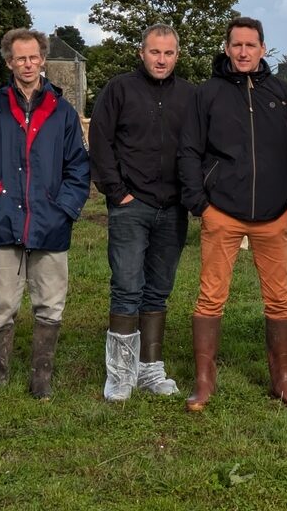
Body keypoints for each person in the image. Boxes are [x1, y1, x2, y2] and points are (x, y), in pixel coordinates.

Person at [178, 16, 287, 412]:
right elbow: (189, 151)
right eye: (236, 45)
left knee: (280, 300)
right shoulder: (208, 94)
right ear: (226, 48)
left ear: (263, 49)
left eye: (251, 45)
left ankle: (282, 380)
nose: (243, 52)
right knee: (210, 296)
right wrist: (200, 204)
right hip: (223, 213)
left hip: (274, 215)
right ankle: (204, 380)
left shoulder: (282, 93)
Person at [0, 28, 91, 401]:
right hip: (5, 222)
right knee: (2, 303)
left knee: (49, 303)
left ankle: (41, 376)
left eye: (34, 57)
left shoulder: (62, 111)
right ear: (9, 62)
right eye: (20, 58)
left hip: (50, 223)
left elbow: (79, 168)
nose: (28, 64)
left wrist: (63, 209)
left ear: (43, 59)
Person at [89, 23, 196, 401]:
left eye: (168, 53)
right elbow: (99, 140)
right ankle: (120, 374)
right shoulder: (119, 89)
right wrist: (117, 193)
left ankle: (150, 369)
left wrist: (191, 195)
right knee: (126, 286)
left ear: (177, 55)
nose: (161, 59)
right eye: (155, 52)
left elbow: (198, 148)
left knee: (159, 290)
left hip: (173, 208)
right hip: (131, 206)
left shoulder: (189, 96)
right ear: (141, 52)